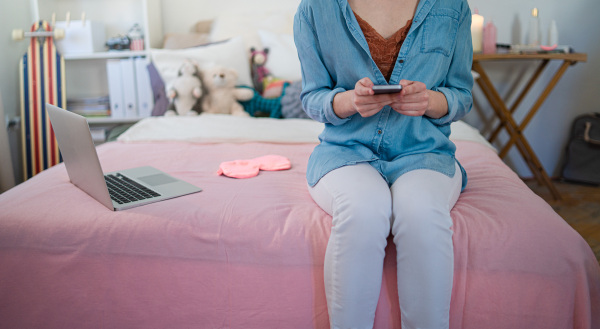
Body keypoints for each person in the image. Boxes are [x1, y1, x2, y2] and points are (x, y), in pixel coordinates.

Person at [293, 0, 473, 328]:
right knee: (362, 210)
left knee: (421, 212)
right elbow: (312, 97)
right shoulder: (315, 8)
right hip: (345, 152)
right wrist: (348, 101)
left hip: (424, 151)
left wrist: (431, 100)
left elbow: (461, 93)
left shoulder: (452, 6)